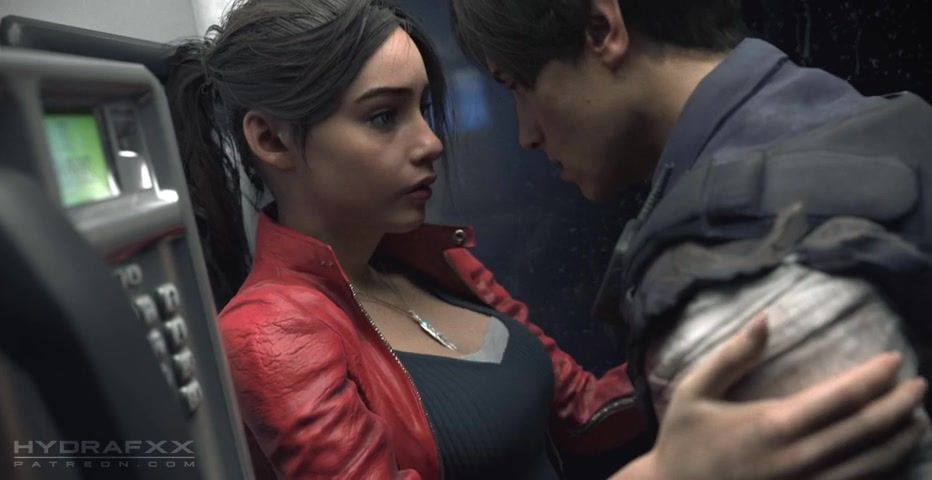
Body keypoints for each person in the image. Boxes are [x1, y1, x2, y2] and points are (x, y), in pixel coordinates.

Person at [165, 0, 928, 478]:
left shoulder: (441, 262)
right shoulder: (269, 338)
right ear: (271, 140)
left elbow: (585, 411)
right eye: (383, 116)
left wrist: (735, 341)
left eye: (426, 109)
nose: (430, 143)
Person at [450, 0, 932, 477]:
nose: (526, 134)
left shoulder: (726, 279)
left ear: (601, 29)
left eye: (518, 85)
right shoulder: (887, 124)